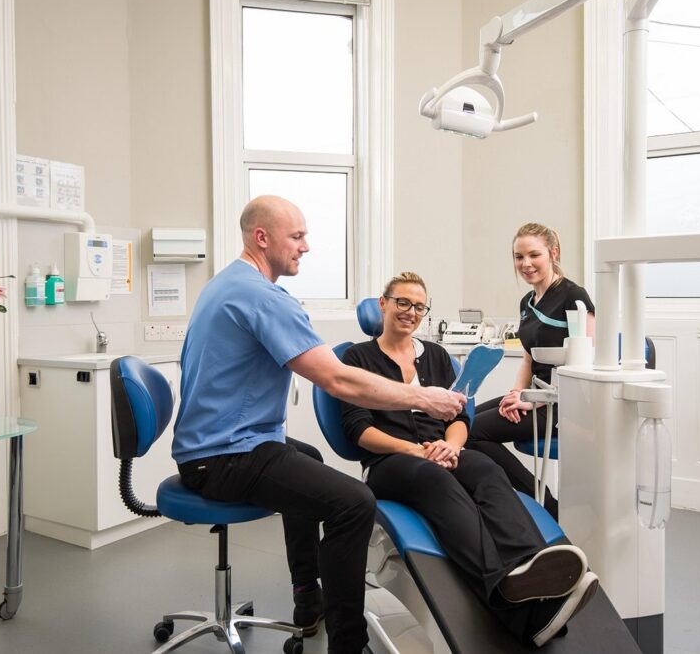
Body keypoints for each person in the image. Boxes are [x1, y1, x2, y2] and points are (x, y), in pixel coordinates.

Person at [171, 195, 467, 654]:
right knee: (353, 502)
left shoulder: (226, 283)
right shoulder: (260, 296)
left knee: (304, 459)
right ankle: (348, 643)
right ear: (261, 237)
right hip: (225, 456)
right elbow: (336, 379)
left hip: (215, 446)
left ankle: (307, 593)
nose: (306, 246)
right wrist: (421, 396)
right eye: (297, 236)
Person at [340, 271, 599, 647]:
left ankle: (532, 569)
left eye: (419, 306)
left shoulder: (437, 357)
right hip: (391, 462)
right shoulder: (357, 357)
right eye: (402, 303)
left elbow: (461, 417)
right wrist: (417, 450)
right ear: (383, 304)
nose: (411, 312)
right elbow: (358, 430)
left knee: (487, 469)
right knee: (440, 482)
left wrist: (453, 446)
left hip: (442, 450)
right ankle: (508, 600)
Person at [466, 223, 595, 520]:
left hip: (561, 402)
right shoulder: (527, 302)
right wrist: (516, 393)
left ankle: (544, 505)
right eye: (518, 256)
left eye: (534, 255)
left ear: (553, 253)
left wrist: (532, 400)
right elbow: (528, 360)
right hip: (533, 393)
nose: (525, 264)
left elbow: (585, 364)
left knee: (471, 434)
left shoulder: (573, 296)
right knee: (463, 419)